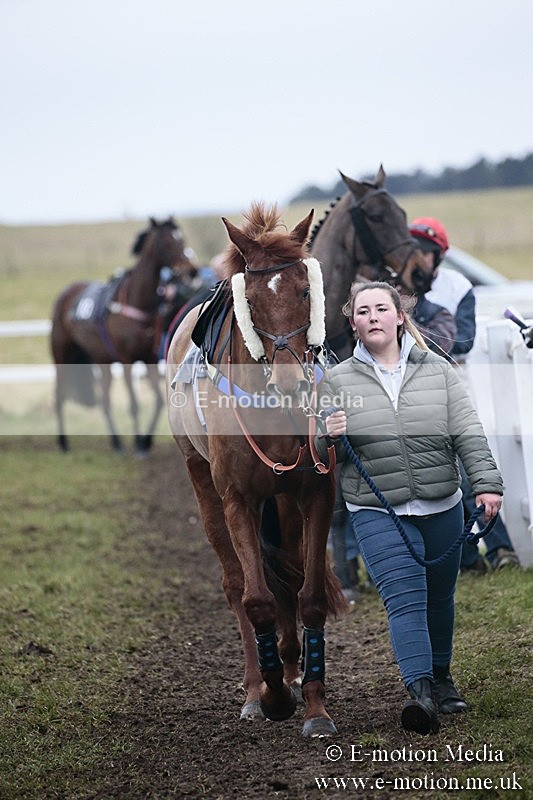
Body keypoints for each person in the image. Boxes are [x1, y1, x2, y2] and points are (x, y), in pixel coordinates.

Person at [318, 281, 503, 735]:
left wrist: (486, 485)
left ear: (400, 317)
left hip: (443, 504)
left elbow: (467, 431)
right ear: (353, 323)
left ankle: (441, 678)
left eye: (382, 308)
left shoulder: (438, 370)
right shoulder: (337, 381)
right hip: (376, 509)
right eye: (364, 311)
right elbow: (321, 455)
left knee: (440, 597)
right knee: (405, 597)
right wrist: (327, 435)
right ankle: (419, 692)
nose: (373, 317)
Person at [409, 217, 520, 572]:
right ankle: (476, 554)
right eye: (413, 250)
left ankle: (496, 548)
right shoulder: (396, 287)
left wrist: (419, 335)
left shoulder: (457, 286)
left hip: (452, 385)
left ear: (438, 256)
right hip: (413, 391)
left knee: (467, 468)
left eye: (424, 252)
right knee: (446, 473)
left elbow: (464, 341)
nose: (417, 258)